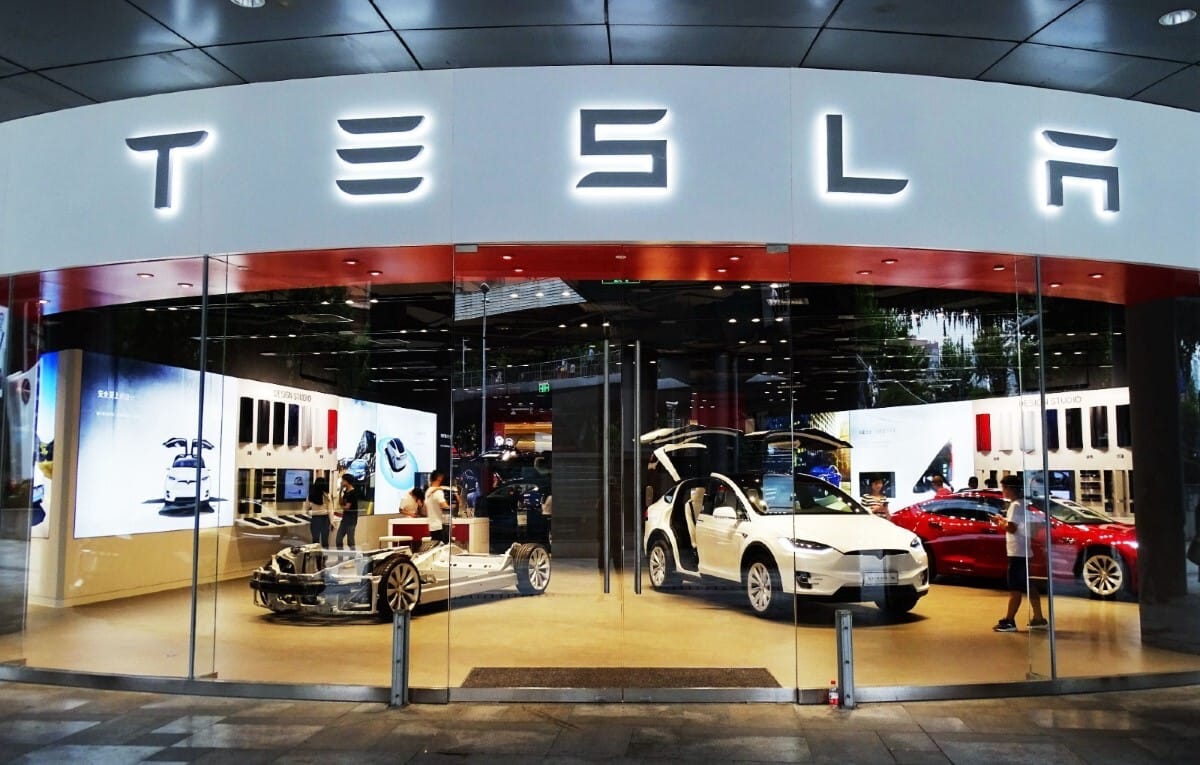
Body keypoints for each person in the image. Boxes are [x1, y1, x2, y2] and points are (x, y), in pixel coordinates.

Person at [993, 474, 1047, 632]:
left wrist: (1000, 522)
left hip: (1016, 552)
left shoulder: (1015, 506)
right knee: (1029, 585)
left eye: (1004, 488)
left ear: (1010, 489)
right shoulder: (1024, 504)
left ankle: (1009, 620)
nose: (1003, 491)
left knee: (1015, 588)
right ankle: (1038, 618)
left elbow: (1012, 528)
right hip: (1025, 551)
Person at [425, 469, 451, 545]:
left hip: (433, 525)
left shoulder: (428, 491)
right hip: (440, 526)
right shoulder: (438, 492)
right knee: (444, 548)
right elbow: (445, 507)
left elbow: (426, 509)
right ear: (439, 477)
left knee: (436, 547)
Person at [335, 472, 359, 551]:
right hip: (345, 519)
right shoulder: (346, 492)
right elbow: (341, 502)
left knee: (350, 541)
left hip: (351, 520)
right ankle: (340, 556)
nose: (341, 482)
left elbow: (347, 507)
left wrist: (341, 508)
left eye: (343, 480)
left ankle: (352, 556)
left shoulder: (353, 493)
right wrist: (340, 491)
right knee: (338, 540)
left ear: (347, 481)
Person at [307, 476, 331, 547]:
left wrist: (311, 512)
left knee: (315, 541)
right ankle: (325, 553)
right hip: (325, 519)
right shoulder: (327, 496)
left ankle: (316, 554)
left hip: (315, 519)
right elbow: (330, 510)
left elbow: (307, 508)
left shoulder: (311, 495)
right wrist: (332, 522)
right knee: (325, 540)